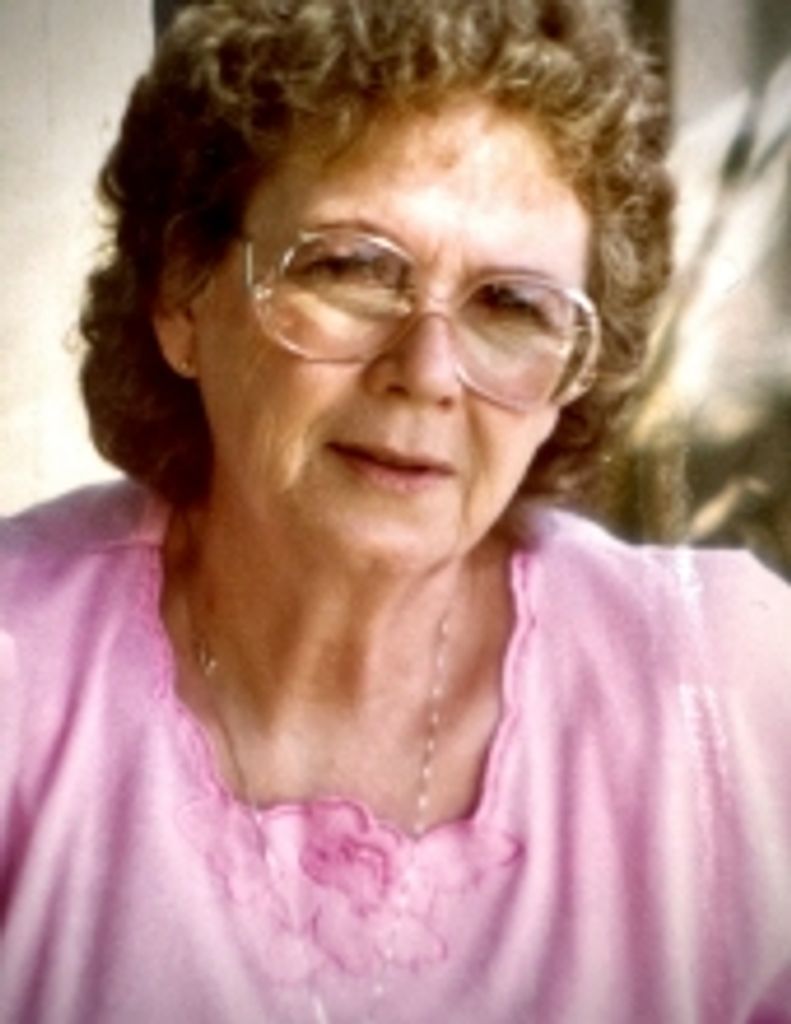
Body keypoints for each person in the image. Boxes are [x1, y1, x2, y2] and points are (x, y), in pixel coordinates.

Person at [2, 1, 790, 1021]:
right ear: (183, 295)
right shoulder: (20, 670)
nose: (427, 372)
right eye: (351, 269)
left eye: (510, 305)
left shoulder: (719, 691)